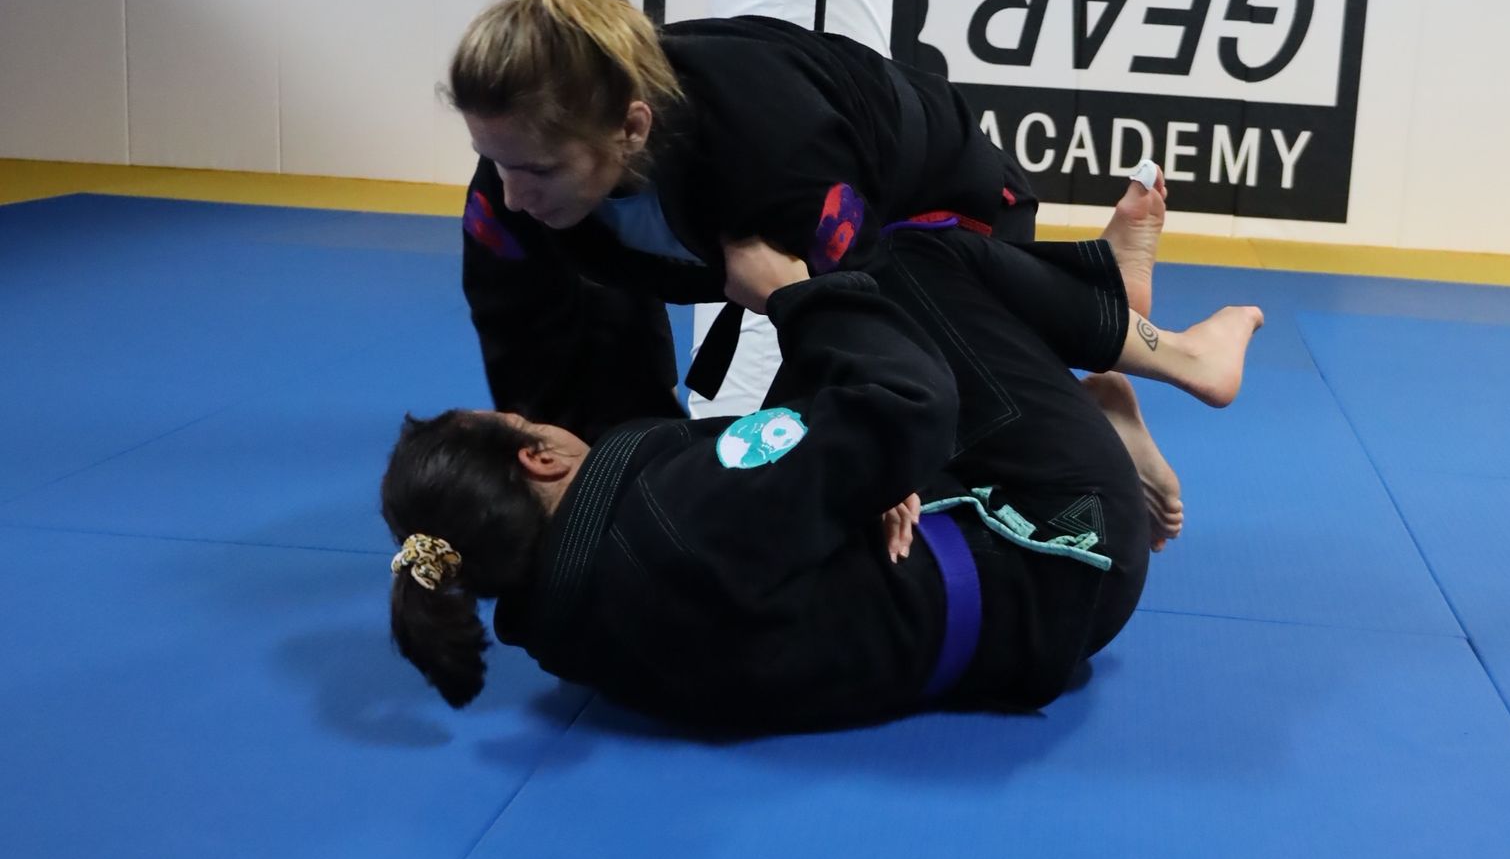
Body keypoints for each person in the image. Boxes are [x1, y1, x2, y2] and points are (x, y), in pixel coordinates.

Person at [381, 223, 1263, 733]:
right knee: (902, 260)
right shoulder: (676, 510)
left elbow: (769, 504)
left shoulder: (576, 624)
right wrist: (790, 293)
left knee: (856, 387)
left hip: (1003, 616)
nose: (539, 419)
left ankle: (1105, 355)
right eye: (520, 422)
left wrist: (850, 482)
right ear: (537, 458)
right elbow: (909, 403)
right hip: (1071, 553)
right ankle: (1163, 352)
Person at [453, 0, 1073, 439]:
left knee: (961, 425)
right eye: (494, 163)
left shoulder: (775, 159)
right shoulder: (524, 153)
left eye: (535, 172)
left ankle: (1094, 376)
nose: (510, 195)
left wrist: (863, 452)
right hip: (762, 190)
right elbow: (526, 346)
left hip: (948, 196)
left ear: (632, 129)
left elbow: (862, 341)